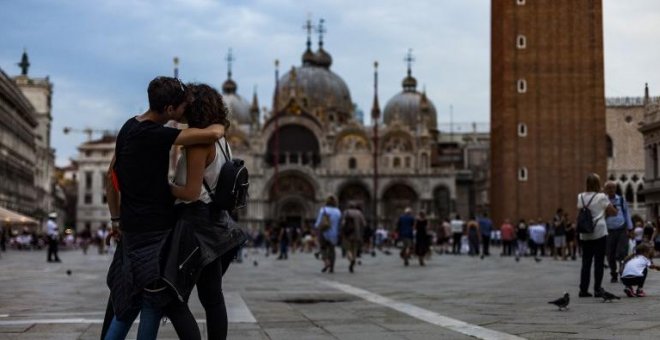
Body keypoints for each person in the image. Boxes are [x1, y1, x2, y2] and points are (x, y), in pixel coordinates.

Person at [102, 77, 225, 340]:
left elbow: (109, 177)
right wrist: (219, 124)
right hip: (156, 229)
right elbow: (212, 134)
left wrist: (115, 220)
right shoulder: (159, 135)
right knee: (153, 301)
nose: (184, 113)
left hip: (129, 227)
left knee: (124, 298)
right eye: (182, 107)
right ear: (169, 109)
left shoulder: (128, 127)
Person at [166, 83, 247, 340]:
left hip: (194, 224)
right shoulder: (220, 138)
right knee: (212, 298)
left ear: (195, 106)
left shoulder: (199, 142)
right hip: (215, 223)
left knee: (172, 298)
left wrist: (164, 188)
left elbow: (190, 192)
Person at [577, 173, 617, 298]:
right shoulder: (601, 196)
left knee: (586, 262)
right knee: (599, 262)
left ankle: (583, 290)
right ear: (598, 184)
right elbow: (613, 212)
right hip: (599, 231)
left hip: (585, 233)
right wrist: (608, 210)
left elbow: (580, 210)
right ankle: (597, 289)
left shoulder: (581, 196)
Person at [603, 181, 633, 283]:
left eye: (613, 188)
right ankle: (613, 274)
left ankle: (622, 272)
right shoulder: (603, 200)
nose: (611, 190)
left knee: (622, 253)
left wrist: (630, 228)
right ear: (606, 190)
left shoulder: (621, 199)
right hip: (609, 231)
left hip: (621, 229)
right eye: (609, 188)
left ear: (615, 189)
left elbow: (627, 213)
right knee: (610, 254)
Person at [314, 195, 342, 273]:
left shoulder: (323, 210)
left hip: (324, 232)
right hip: (334, 234)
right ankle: (332, 268)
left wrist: (315, 227)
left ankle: (326, 262)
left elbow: (318, 222)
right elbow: (340, 223)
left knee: (323, 248)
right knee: (332, 250)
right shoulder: (338, 211)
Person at [341, 203, 366, 272]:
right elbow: (364, 224)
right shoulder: (359, 213)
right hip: (357, 234)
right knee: (354, 249)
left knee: (347, 249)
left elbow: (343, 223)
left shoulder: (346, 212)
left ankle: (351, 259)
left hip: (347, 233)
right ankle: (354, 260)